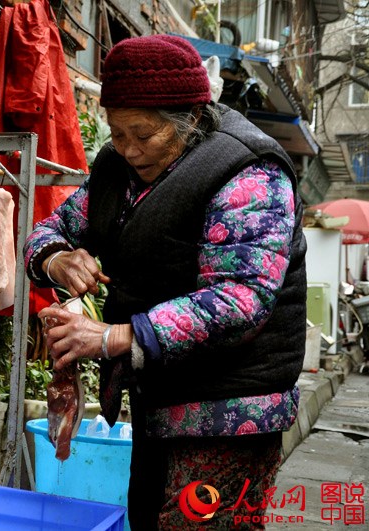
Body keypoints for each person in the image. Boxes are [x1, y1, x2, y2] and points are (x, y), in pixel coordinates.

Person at [24, 34, 306, 530]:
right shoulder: (117, 172)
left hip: (229, 413)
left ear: (191, 119)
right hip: (157, 404)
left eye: (143, 133)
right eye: (117, 133)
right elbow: (49, 229)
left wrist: (112, 337)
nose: (128, 149)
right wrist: (58, 260)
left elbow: (240, 298)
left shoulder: (248, 172)